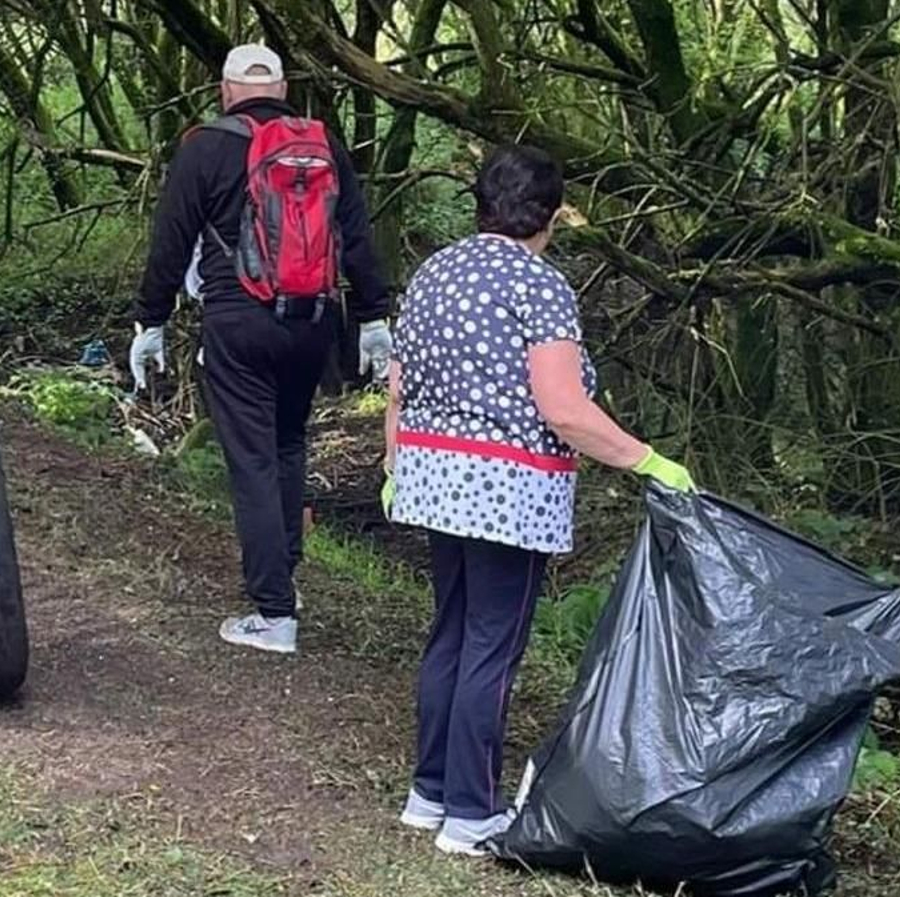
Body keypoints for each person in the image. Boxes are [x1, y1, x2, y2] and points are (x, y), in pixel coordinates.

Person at [383, 145, 696, 855]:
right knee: (492, 646)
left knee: (452, 632)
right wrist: (648, 460)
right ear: (551, 214)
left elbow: (399, 386)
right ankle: (470, 813)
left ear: (481, 203)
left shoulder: (434, 271)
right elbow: (564, 409)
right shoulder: (539, 284)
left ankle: (427, 793)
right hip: (506, 488)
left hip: (431, 477)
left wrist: (396, 463)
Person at [130, 44, 392, 654]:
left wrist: (150, 321)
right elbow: (356, 237)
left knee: (250, 459)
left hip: (239, 322)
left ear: (226, 91)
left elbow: (171, 241)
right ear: (282, 87)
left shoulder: (206, 147)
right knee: (288, 443)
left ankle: (274, 614)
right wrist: (376, 314)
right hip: (315, 324)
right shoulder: (323, 145)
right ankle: (285, 583)